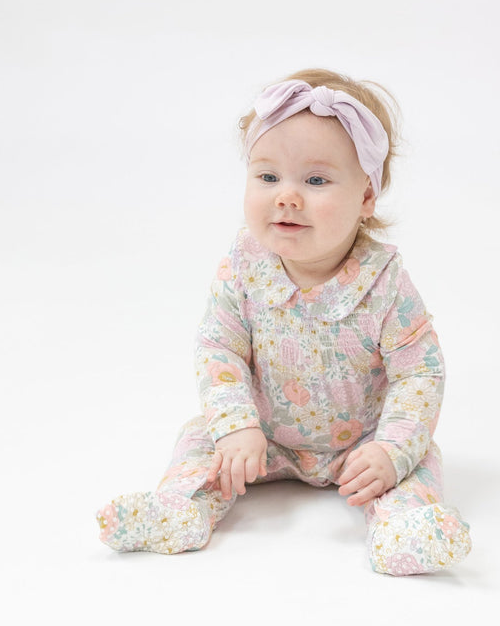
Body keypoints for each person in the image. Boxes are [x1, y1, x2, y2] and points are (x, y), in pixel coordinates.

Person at [96, 68, 472, 575]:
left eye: (316, 180)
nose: (286, 196)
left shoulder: (383, 281)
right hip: (262, 438)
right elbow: (219, 347)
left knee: (419, 460)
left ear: (365, 197)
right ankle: (180, 509)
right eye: (268, 177)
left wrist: (390, 448)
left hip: (360, 444)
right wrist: (236, 426)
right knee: (200, 437)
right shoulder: (245, 264)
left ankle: (403, 530)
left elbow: (420, 372)